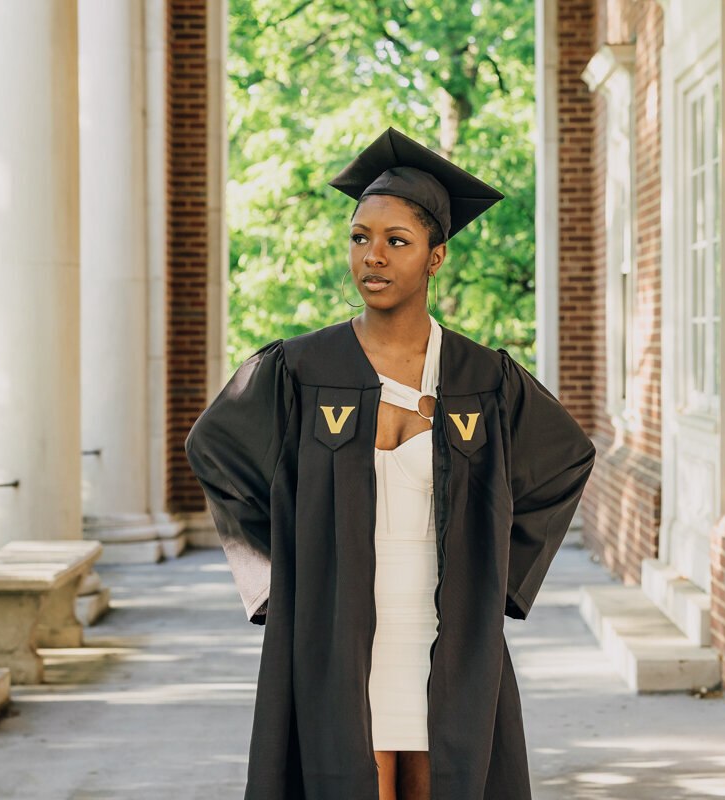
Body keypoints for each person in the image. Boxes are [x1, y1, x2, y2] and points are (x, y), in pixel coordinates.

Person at [185, 127, 596, 800]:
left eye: (395, 241)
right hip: (338, 640)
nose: (372, 257)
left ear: (435, 258)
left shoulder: (481, 377)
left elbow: (564, 462)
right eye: (359, 237)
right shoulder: (299, 369)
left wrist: (502, 579)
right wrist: (279, 578)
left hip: (449, 639)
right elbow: (216, 451)